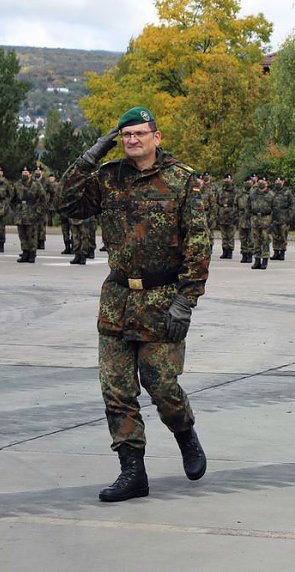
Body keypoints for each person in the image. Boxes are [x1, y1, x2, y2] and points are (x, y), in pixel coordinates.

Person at [60, 106, 211, 502]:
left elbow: (198, 244)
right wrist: (90, 156)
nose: (132, 140)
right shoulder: (108, 177)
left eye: (139, 133)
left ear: (156, 137)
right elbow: (67, 204)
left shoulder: (183, 180)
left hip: (163, 301)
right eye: (125, 135)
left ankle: (185, 433)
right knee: (116, 390)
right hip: (117, 300)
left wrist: (187, 300)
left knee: (161, 385)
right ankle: (132, 471)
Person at [13, 166, 44, 263]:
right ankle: (25, 252)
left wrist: (38, 211)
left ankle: (32, 253)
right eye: (23, 172)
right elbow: (12, 198)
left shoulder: (36, 184)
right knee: (22, 234)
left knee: (31, 235)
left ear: (30, 174)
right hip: (20, 213)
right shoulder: (17, 184)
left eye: (26, 173)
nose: (24, 174)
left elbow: (43, 199)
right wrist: (15, 209)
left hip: (31, 212)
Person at [247, 175, 274, 270]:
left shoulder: (271, 194)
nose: (261, 182)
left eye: (263, 181)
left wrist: (273, 222)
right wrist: (249, 216)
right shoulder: (253, 194)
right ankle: (257, 260)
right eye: (260, 181)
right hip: (255, 219)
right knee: (256, 240)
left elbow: (275, 209)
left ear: (267, 183)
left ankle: (265, 260)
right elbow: (248, 206)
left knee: (265, 240)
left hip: (266, 219)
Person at [269, 176, 294, 260]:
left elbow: (291, 205)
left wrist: (290, 217)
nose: (278, 182)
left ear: (283, 182)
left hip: (284, 217)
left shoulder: (287, 192)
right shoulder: (271, 192)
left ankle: (282, 252)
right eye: (277, 180)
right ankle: (276, 252)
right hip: (274, 217)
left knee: (283, 235)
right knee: (275, 236)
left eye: (280, 181)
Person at [216, 173, 238, 259]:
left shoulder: (235, 191)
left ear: (231, 180)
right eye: (225, 179)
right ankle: (224, 250)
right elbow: (217, 202)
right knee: (224, 234)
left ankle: (230, 251)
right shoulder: (220, 190)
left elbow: (237, 203)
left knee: (230, 234)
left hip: (231, 214)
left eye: (228, 179)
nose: (227, 180)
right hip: (222, 214)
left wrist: (235, 215)